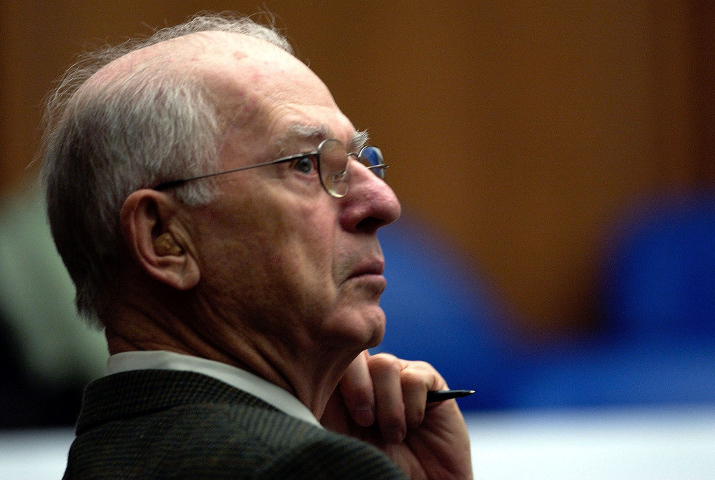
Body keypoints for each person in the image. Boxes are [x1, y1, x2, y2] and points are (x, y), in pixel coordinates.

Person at [41, 12, 472, 480]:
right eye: (306, 165)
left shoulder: (108, 453)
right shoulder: (306, 468)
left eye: (360, 159)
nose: (383, 203)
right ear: (164, 238)